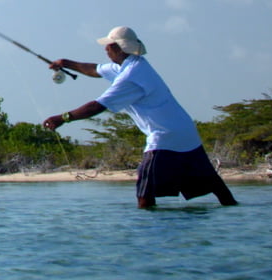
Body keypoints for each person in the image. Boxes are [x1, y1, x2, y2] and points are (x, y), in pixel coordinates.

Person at [42, 26, 238, 208]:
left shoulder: (130, 77)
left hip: (164, 137)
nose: (106, 50)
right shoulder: (131, 64)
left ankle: (145, 236)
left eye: (109, 46)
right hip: (187, 134)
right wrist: (65, 63)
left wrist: (63, 118)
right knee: (216, 187)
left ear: (119, 48)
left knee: (144, 191)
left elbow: (96, 106)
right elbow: (94, 70)